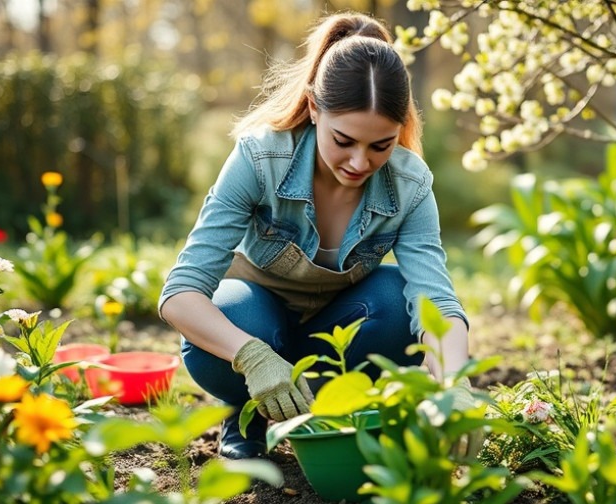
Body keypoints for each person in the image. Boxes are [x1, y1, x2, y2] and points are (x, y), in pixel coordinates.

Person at [158, 11, 472, 460]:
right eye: (343, 140)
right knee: (230, 314)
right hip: (258, 329)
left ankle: (330, 411)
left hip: (338, 332)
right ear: (313, 107)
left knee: (399, 301)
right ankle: (244, 411)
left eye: (380, 145)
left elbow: (436, 301)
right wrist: (252, 357)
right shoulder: (260, 157)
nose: (360, 162)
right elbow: (180, 293)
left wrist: (453, 384)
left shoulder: (410, 183)